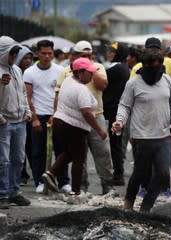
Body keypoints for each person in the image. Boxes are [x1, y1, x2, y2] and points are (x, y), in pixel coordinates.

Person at [112, 49, 171, 212]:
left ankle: (146, 207)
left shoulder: (166, 80)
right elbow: (124, 105)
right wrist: (120, 121)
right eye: (151, 66)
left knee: (164, 175)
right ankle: (128, 203)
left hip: (163, 134)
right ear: (144, 66)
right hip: (141, 137)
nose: (155, 70)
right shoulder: (133, 83)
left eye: (158, 66)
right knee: (141, 173)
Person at [55, 40, 115, 194]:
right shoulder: (67, 71)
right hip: (75, 119)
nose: (87, 58)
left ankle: (107, 185)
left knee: (103, 152)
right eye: (83, 55)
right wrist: (54, 113)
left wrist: (91, 69)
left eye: (89, 55)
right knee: (79, 155)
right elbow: (58, 93)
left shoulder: (99, 67)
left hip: (97, 115)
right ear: (75, 55)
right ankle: (81, 186)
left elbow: (103, 86)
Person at [42, 58, 107, 195]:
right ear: (81, 73)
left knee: (69, 153)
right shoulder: (80, 89)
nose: (92, 75)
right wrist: (99, 130)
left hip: (60, 122)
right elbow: (86, 113)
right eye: (90, 72)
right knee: (79, 158)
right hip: (73, 126)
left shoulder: (68, 81)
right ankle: (76, 191)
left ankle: (51, 173)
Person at [23, 39, 70, 194]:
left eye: (50, 53)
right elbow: (28, 97)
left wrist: (57, 114)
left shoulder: (60, 70)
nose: (47, 56)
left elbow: (63, 94)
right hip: (39, 116)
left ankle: (63, 182)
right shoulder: (29, 72)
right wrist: (34, 118)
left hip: (57, 115)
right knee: (38, 152)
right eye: (43, 53)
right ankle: (39, 182)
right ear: (37, 53)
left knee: (61, 150)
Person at [0, 36, 32, 209]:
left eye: (16, 53)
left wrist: (27, 112)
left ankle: (14, 191)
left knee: (18, 159)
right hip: (4, 123)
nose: (14, 56)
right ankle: (2, 194)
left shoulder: (17, 71)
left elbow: (23, 93)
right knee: (3, 161)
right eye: (12, 53)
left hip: (20, 122)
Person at [103, 42, 129, 185]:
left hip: (114, 111)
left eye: (113, 51)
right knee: (116, 143)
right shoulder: (124, 68)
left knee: (115, 143)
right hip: (118, 110)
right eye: (109, 51)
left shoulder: (115, 69)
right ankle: (118, 173)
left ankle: (118, 175)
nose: (109, 54)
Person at [14, 46, 33, 186]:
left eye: (29, 58)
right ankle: (20, 174)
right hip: (12, 117)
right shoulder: (12, 72)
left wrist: (28, 112)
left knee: (28, 147)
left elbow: (26, 95)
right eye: (24, 58)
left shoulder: (30, 73)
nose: (27, 61)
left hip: (27, 115)